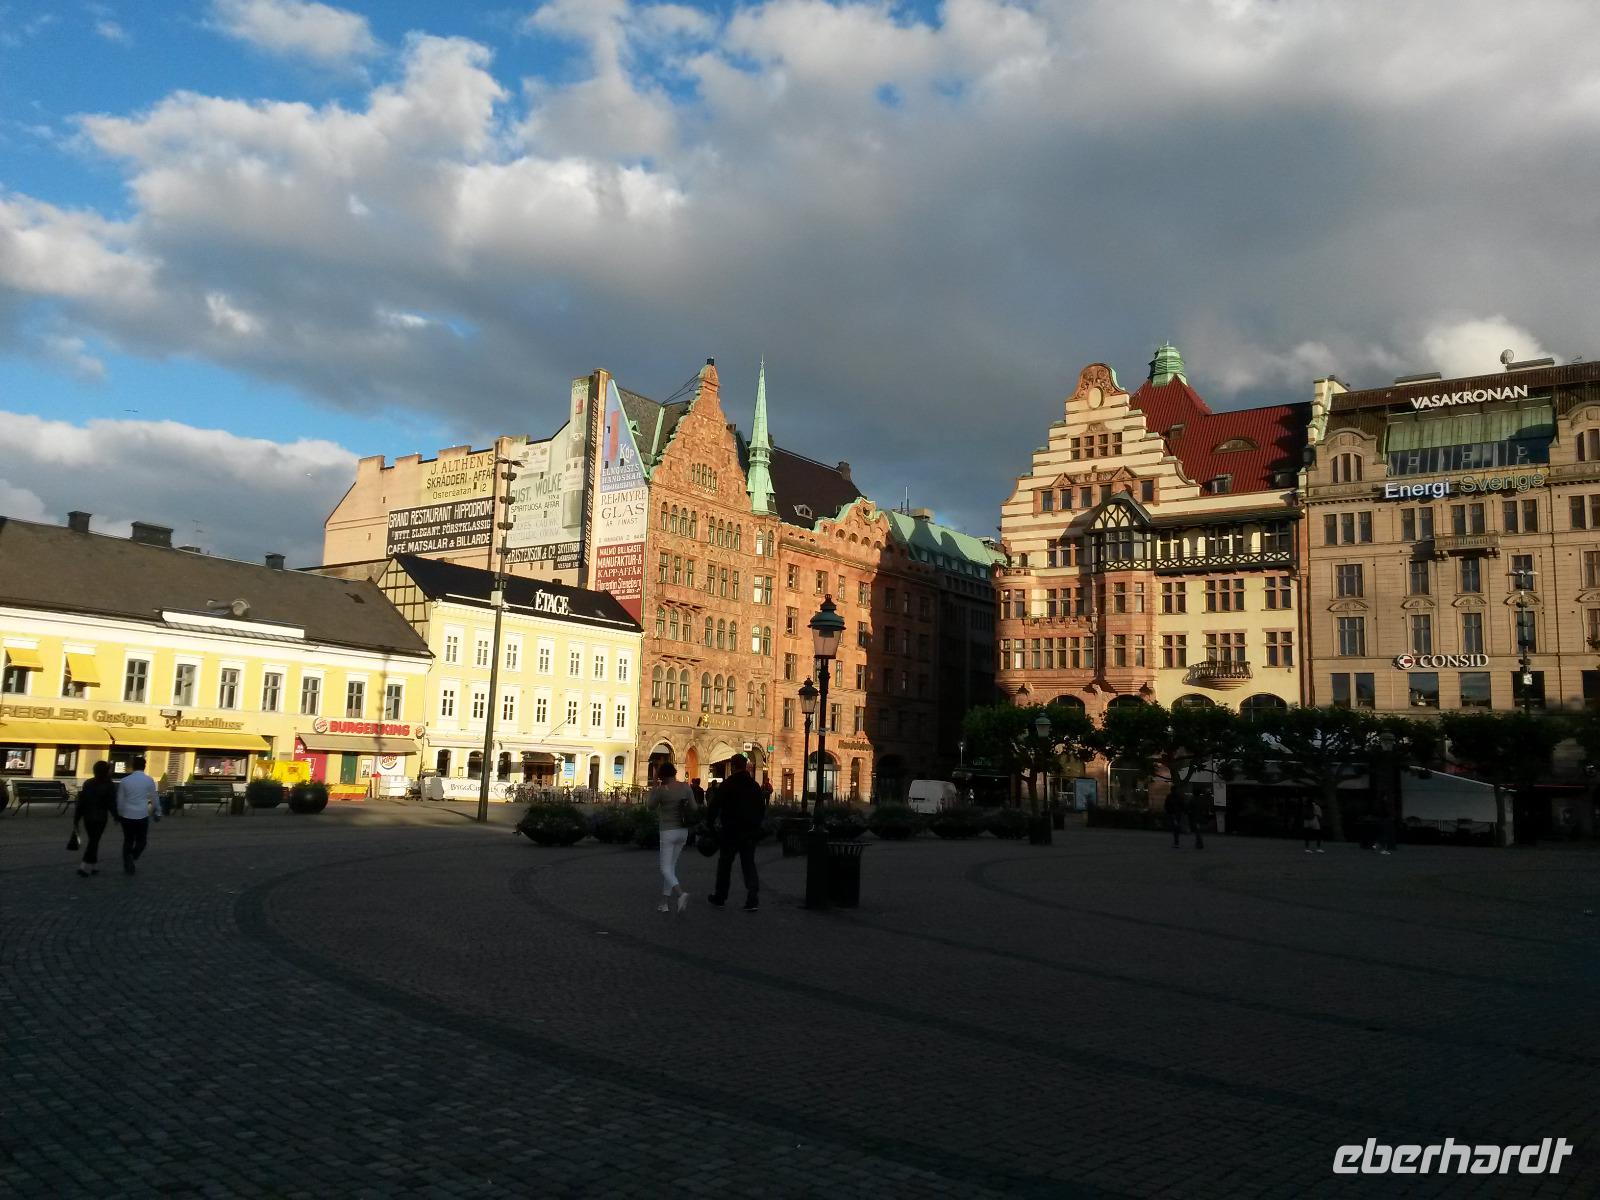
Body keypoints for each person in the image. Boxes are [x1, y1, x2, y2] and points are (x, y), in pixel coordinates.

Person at [707, 754, 766, 911]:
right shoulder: (754, 785)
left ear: (733, 766)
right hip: (750, 831)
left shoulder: (728, 784)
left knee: (725, 864)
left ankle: (720, 896)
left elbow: (714, 806)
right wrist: (756, 825)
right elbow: (761, 808)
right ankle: (752, 898)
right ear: (745, 766)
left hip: (730, 830)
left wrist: (710, 824)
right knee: (748, 864)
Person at [646, 763, 698, 914]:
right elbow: (694, 808)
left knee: (665, 868)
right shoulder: (686, 787)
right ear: (674, 773)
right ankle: (664, 903)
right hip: (683, 831)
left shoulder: (662, 790)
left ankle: (681, 894)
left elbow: (650, 806)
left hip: (668, 831)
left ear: (661, 776)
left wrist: (654, 786)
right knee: (671, 867)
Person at [116, 755, 160, 875]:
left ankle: (127, 862)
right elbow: (154, 797)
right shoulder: (149, 780)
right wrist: (157, 811)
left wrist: (119, 813)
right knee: (142, 841)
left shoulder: (124, 781)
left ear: (133, 766)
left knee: (128, 840)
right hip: (142, 814)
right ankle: (133, 856)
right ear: (144, 766)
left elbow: (120, 800)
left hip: (127, 814)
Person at [73, 760, 117, 877]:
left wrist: (77, 818)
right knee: (94, 841)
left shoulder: (88, 783)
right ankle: (83, 866)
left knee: (94, 840)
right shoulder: (109, 785)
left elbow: (82, 802)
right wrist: (116, 816)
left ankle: (94, 866)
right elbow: (111, 803)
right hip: (101, 817)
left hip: (87, 817)